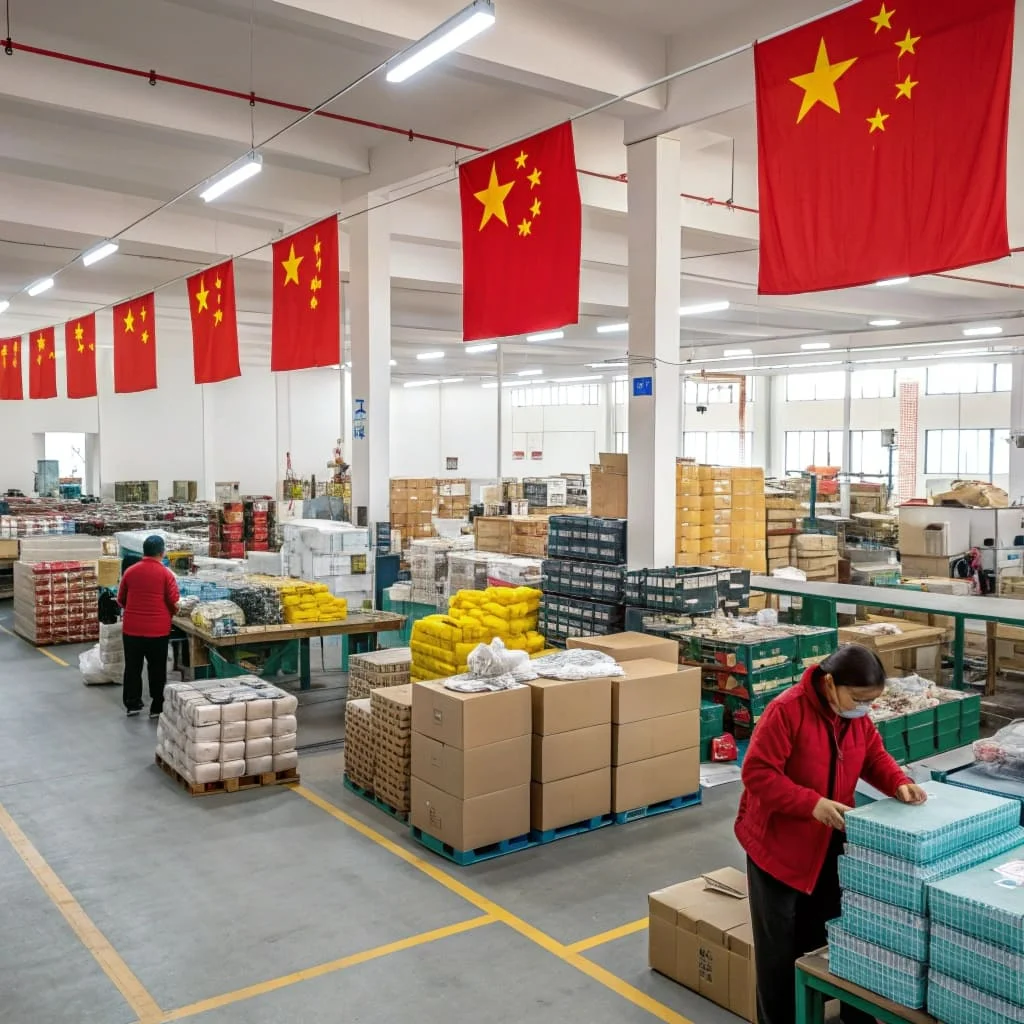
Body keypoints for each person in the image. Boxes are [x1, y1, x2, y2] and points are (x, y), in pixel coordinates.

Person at [735, 643, 928, 1024]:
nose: (864, 708)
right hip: (779, 849)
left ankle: (846, 1012)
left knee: (836, 932)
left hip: (829, 841)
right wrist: (811, 804)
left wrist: (898, 782)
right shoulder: (786, 712)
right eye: (858, 698)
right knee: (780, 950)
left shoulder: (854, 717)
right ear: (829, 684)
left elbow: (873, 755)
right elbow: (757, 773)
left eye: (871, 701)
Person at [117, 535, 180, 719]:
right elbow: (174, 601)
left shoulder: (130, 572)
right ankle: (157, 707)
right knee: (157, 667)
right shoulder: (166, 574)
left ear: (143, 551)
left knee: (133, 667)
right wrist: (170, 612)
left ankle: (132, 703)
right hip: (158, 631)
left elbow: (121, 600)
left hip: (132, 630)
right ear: (162, 552)